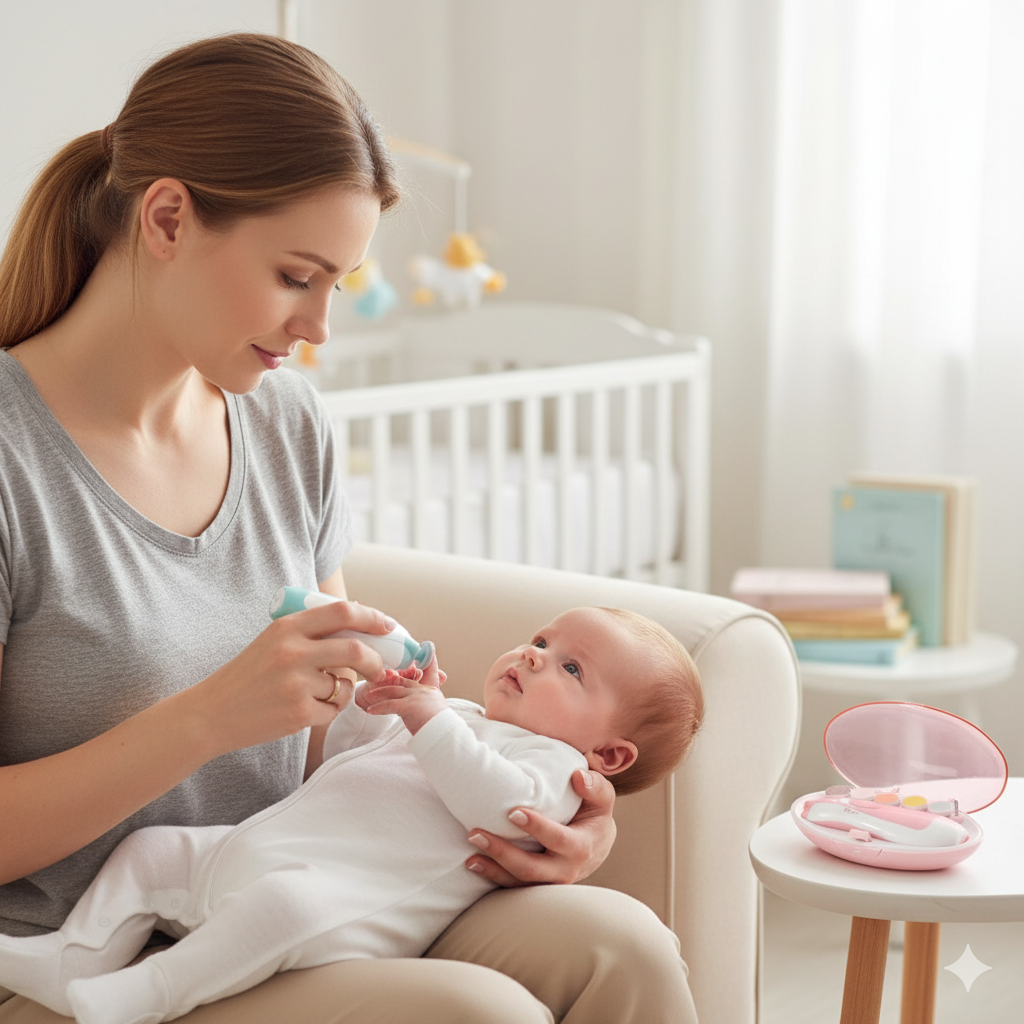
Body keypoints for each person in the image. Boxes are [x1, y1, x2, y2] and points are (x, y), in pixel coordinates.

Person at [0, 32, 701, 1024]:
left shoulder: (286, 425)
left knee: (619, 943)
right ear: (167, 217)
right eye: (296, 276)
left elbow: (331, 725)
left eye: (340, 282)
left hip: (290, 888)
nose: (319, 327)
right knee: (476, 1012)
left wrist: (539, 813)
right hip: (64, 955)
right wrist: (207, 717)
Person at [0, 606, 705, 1024]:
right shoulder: (455, 718)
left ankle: (142, 994)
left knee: (630, 943)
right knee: (153, 849)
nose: (534, 655)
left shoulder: (549, 769)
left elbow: (499, 804)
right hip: (248, 851)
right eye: (543, 642)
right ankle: (79, 955)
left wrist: (414, 712)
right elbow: (348, 759)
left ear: (608, 756)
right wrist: (382, 716)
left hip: (330, 902)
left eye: (571, 670)